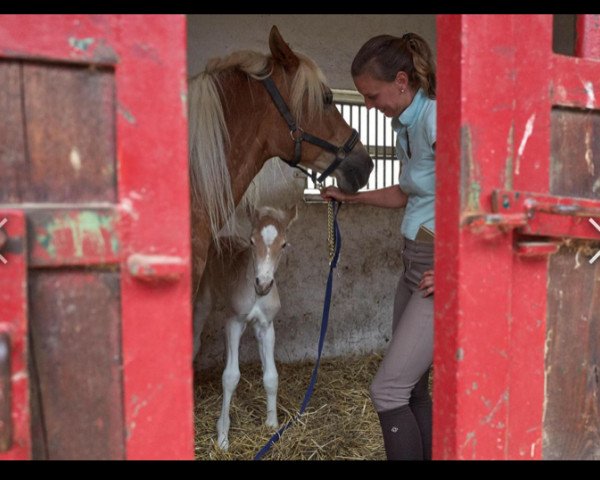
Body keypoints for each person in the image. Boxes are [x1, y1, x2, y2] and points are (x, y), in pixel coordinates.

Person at [321, 32, 436, 460]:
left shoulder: (434, 120)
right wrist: (351, 198)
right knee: (412, 387)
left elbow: (474, 190)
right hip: (413, 265)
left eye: (372, 96)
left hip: (436, 268)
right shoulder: (406, 125)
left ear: (402, 81)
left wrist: (455, 269)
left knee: (387, 389)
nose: (369, 106)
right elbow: (407, 193)